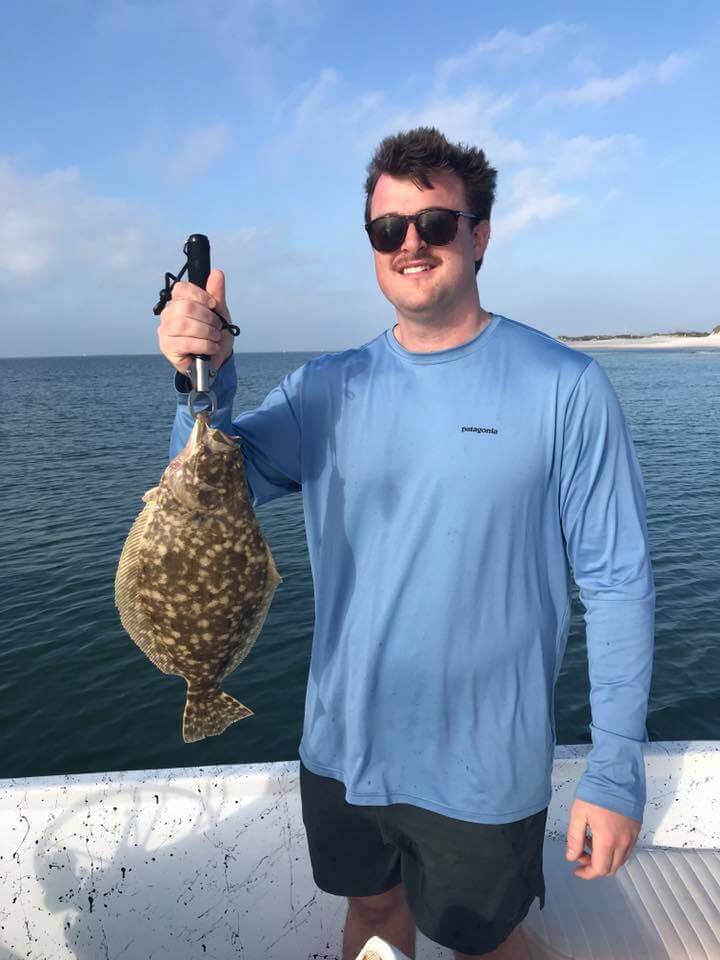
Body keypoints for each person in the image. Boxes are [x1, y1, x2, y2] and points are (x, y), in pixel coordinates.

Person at [158, 127, 655, 960]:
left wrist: (616, 771)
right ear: (373, 247)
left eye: (436, 223)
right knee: (374, 917)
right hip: (340, 750)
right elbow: (204, 499)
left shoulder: (566, 386)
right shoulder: (324, 388)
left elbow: (618, 585)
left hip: (484, 768)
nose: (411, 244)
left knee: (490, 945)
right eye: (389, 230)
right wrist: (200, 382)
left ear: (480, 235)